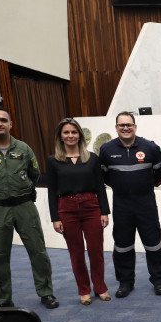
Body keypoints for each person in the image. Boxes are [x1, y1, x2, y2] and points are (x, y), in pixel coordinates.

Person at [0, 104, 58, 309]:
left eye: (3, 120)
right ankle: (3, 300)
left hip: (24, 206)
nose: (0, 123)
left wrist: (19, 191)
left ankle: (46, 292)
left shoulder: (23, 149)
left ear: (10, 124)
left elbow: (34, 174)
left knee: (38, 252)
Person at [99, 111, 161, 297]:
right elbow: (104, 176)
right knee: (122, 245)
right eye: (122, 125)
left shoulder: (150, 147)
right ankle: (125, 282)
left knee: (153, 243)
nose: (126, 128)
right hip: (121, 205)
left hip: (146, 203)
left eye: (129, 125)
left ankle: (159, 280)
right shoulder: (106, 150)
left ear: (135, 127)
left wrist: (146, 186)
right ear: (116, 128)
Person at [46, 119, 111, 305]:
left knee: (95, 250)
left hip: (91, 207)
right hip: (66, 209)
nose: (70, 136)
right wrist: (55, 217)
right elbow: (52, 191)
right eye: (66, 132)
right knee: (76, 253)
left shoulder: (91, 158)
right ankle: (84, 290)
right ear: (60, 136)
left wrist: (104, 211)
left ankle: (100, 287)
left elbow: (100, 186)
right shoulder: (53, 160)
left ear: (80, 136)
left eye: (74, 132)